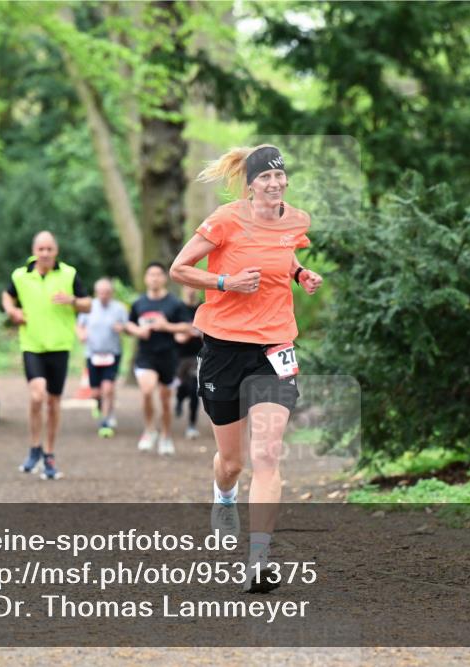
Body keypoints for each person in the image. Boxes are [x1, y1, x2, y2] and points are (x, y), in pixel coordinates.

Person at [169, 145, 323, 592]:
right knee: (233, 462)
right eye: (265, 177)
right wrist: (225, 282)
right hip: (224, 348)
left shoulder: (295, 221)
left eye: (279, 176)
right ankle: (224, 495)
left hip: (275, 347)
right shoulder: (225, 220)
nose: (274, 183)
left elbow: (284, 253)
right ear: (250, 184)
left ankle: (258, 560)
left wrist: (300, 274)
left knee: (268, 454)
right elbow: (180, 269)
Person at [2, 231, 91, 480]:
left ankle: (49, 453)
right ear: (34, 251)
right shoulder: (20, 275)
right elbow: (7, 295)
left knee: (53, 402)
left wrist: (72, 300)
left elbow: (88, 304)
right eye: (41, 249)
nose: (45, 253)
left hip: (59, 345)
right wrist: (12, 311)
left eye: (49, 249)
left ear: (56, 251)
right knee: (36, 395)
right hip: (31, 344)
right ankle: (34, 447)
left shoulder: (69, 274)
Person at [124, 262, 193, 456]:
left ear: (164, 278)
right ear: (146, 278)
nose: (154, 278)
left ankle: (166, 436)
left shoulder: (174, 303)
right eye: (150, 274)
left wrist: (166, 326)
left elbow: (187, 327)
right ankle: (149, 430)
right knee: (147, 391)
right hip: (146, 355)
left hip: (168, 356)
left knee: (165, 400)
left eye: (158, 275)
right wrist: (138, 331)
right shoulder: (139, 303)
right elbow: (128, 324)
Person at [76, 278, 128, 438]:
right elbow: (79, 325)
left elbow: (128, 327)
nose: (104, 295)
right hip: (93, 354)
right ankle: (99, 405)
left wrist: (122, 328)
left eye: (107, 292)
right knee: (95, 392)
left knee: (108, 388)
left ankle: (105, 422)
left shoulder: (119, 308)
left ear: (112, 293)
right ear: (96, 292)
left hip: (112, 353)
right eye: (101, 292)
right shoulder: (89, 307)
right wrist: (81, 334)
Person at [174, 285, 203, 440]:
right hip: (179, 356)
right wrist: (185, 333)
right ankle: (179, 399)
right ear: (183, 289)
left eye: (194, 287)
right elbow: (174, 333)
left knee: (194, 389)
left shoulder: (203, 308)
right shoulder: (177, 308)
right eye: (188, 287)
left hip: (197, 356)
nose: (191, 290)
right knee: (183, 387)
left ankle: (192, 425)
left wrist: (201, 334)